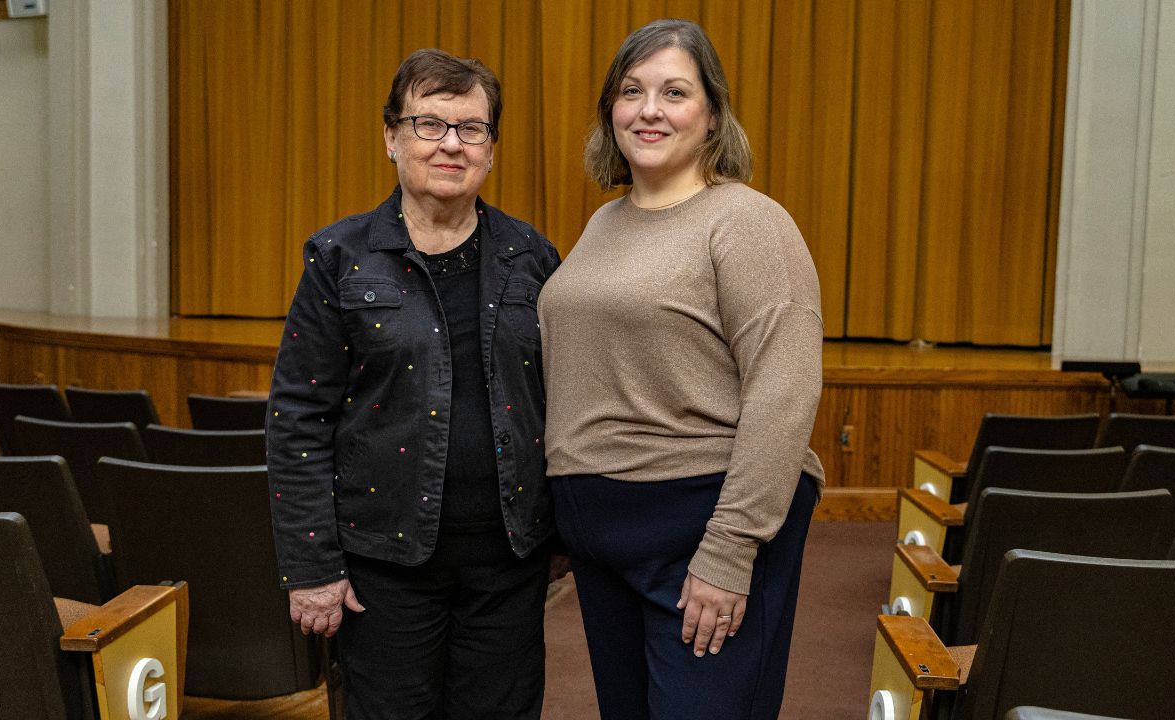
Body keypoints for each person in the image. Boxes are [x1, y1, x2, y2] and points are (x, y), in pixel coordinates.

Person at [538, 19, 825, 720]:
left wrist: (729, 549)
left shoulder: (747, 221)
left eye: (674, 92)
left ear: (713, 115)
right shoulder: (604, 224)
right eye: (630, 91)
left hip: (700, 525)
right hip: (602, 537)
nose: (649, 110)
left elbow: (784, 389)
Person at [266, 48, 561, 720]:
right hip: (383, 568)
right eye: (429, 124)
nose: (451, 144)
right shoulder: (338, 258)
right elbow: (298, 417)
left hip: (509, 566)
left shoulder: (532, 256)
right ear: (391, 138)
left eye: (472, 128)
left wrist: (565, 534)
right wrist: (312, 566)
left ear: (490, 148)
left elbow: (561, 402)